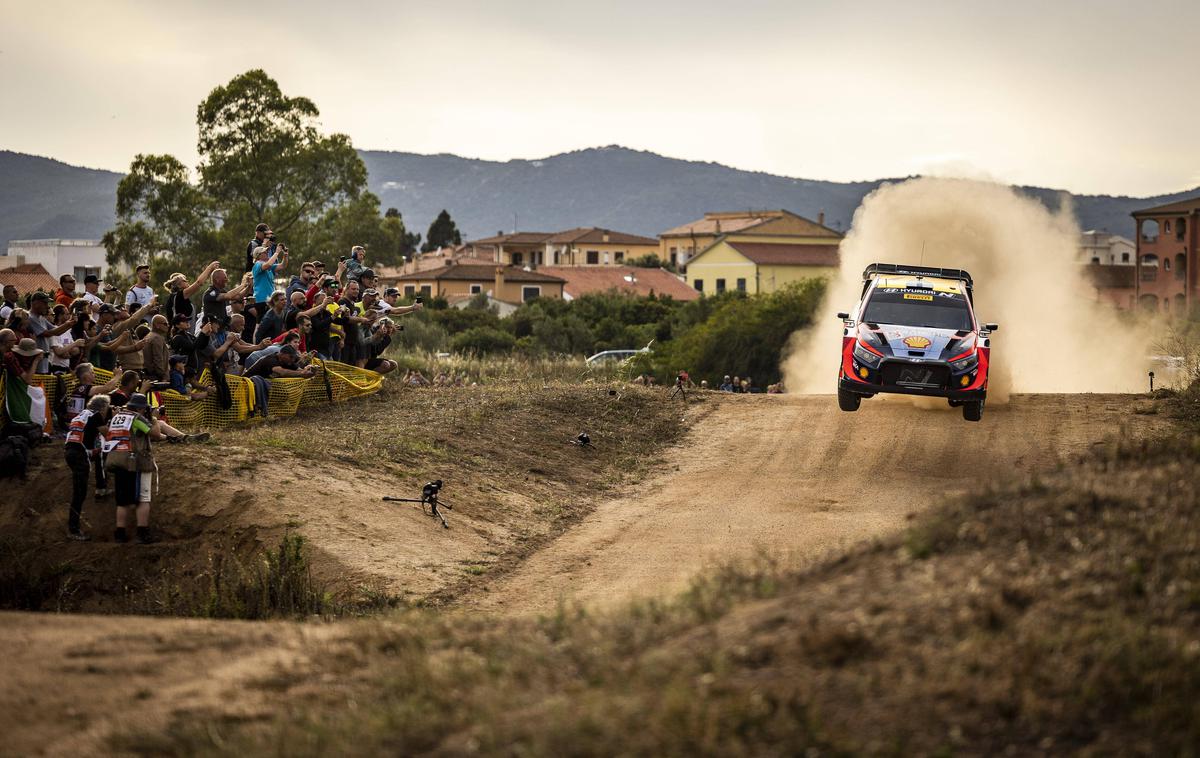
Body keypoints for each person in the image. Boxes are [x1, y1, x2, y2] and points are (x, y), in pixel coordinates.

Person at [103, 393, 164, 544]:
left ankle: (120, 533)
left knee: (122, 501)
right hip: (136, 462)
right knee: (143, 498)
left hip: (117, 459)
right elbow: (155, 434)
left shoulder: (117, 417)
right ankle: (142, 533)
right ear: (142, 408)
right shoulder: (136, 418)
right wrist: (155, 420)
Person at [65, 394, 111, 541]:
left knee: (99, 454)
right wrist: (114, 419)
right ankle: (73, 529)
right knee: (79, 493)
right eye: (107, 409)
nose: (107, 412)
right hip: (79, 453)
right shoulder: (96, 415)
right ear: (102, 407)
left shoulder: (81, 415)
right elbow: (108, 434)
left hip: (70, 451)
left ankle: (101, 486)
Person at [162, 261, 220, 329]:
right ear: (179, 285)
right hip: (180, 335)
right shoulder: (179, 296)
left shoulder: (177, 297)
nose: (187, 281)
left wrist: (210, 271)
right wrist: (210, 267)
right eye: (184, 280)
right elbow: (199, 282)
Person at [142, 314, 171, 381]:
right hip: (155, 377)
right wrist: (163, 375)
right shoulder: (157, 338)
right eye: (165, 324)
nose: (168, 326)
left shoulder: (149, 336)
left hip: (149, 374)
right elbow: (158, 359)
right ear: (157, 325)